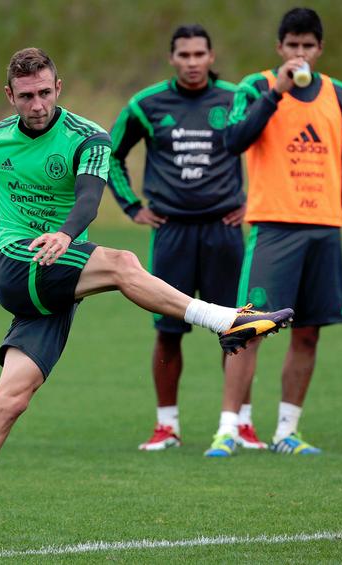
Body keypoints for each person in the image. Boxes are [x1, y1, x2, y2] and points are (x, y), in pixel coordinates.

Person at [0, 47, 293, 550]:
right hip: (16, 264)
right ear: (10, 96)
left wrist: (66, 234)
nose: (37, 104)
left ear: (58, 88)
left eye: (45, 93)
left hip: (56, 275)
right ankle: (225, 321)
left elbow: (89, 197)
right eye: (26, 96)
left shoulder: (88, 137)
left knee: (9, 402)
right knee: (123, 263)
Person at [218, 7, 342, 456]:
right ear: (279, 47)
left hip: (324, 229)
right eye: (292, 45)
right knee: (249, 328)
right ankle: (228, 429)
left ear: (319, 49)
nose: (299, 53)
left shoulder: (340, 95)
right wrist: (276, 94)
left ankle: (287, 432)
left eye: (307, 46)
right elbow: (233, 140)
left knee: (308, 333)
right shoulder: (255, 86)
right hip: (273, 227)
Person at [107, 25, 267, 453]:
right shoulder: (146, 105)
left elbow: (269, 149)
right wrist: (132, 207)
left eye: (199, 54)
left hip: (224, 231)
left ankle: (241, 424)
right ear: (172, 58)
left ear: (211, 57)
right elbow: (111, 155)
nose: (192, 62)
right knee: (168, 331)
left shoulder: (237, 99)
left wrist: (254, 202)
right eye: (184, 55)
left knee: (238, 329)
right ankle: (167, 426)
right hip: (171, 232)